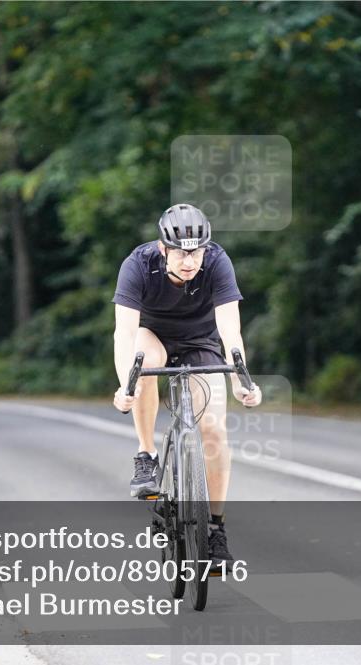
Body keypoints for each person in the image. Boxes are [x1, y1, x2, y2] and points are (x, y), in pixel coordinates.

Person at [111, 203, 262, 571]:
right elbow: (124, 333)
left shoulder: (217, 262)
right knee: (144, 363)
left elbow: (230, 330)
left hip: (201, 343)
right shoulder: (137, 265)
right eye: (180, 252)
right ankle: (146, 455)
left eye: (196, 252)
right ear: (163, 248)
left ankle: (215, 530)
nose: (189, 261)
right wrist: (125, 385)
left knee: (214, 430)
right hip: (153, 337)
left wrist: (241, 380)